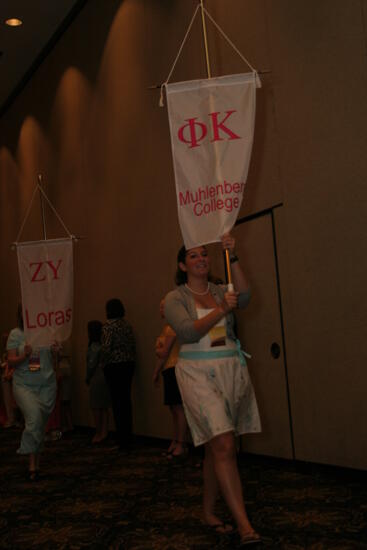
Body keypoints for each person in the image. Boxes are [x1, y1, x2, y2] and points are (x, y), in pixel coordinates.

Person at [164, 233, 261, 546]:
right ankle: (245, 526)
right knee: (223, 444)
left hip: (228, 369)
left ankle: (208, 512)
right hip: (195, 373)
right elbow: (186, 332)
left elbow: (245, 297)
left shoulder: (221, 287)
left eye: (205, 254)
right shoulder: (175, 298)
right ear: (183, 264)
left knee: (215, 447)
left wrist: (233, 256)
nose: (202, 258)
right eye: (193, 255)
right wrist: (221, 309)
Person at [6, 305, 58, 480]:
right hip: (24, 385)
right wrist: (23, 355)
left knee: (40, 425)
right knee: (34, 418)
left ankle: (35, 464)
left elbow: (52, 358)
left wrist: (55, 350)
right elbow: (11, 361)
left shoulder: (46, 332)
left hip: (46, 384)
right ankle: (30, 461)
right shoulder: (15, 334)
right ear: (20, 314)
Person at [153, 299, 188, 458]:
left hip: (175, 368)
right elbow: (161, 356)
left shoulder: (173, 327)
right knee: (173, 409)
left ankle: (181, 443)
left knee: (178, 408)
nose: (161, 309)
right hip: (168, 369)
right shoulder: (166, 328)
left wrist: (159, 350)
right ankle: (175, 441)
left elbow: (163, 352)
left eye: (163, 307)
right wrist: (156, 372)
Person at [100, 299, 136, 452]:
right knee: (126, 401)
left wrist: (103, 363)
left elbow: (106, 348)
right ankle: (128, 436)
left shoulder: (108, 326)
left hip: (114, 366)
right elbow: (132, 345)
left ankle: (121, 439)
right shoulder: (126, 325)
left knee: (117, 402)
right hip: (128, 365)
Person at [86, 320, 111, 443]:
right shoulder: (103, 346)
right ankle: (105, 432)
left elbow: (91, 365)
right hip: (106, 376)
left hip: (96, 377)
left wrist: (87, 377)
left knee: (96, 406)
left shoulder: (94, 347)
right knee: (104, 406)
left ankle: (98, 432)